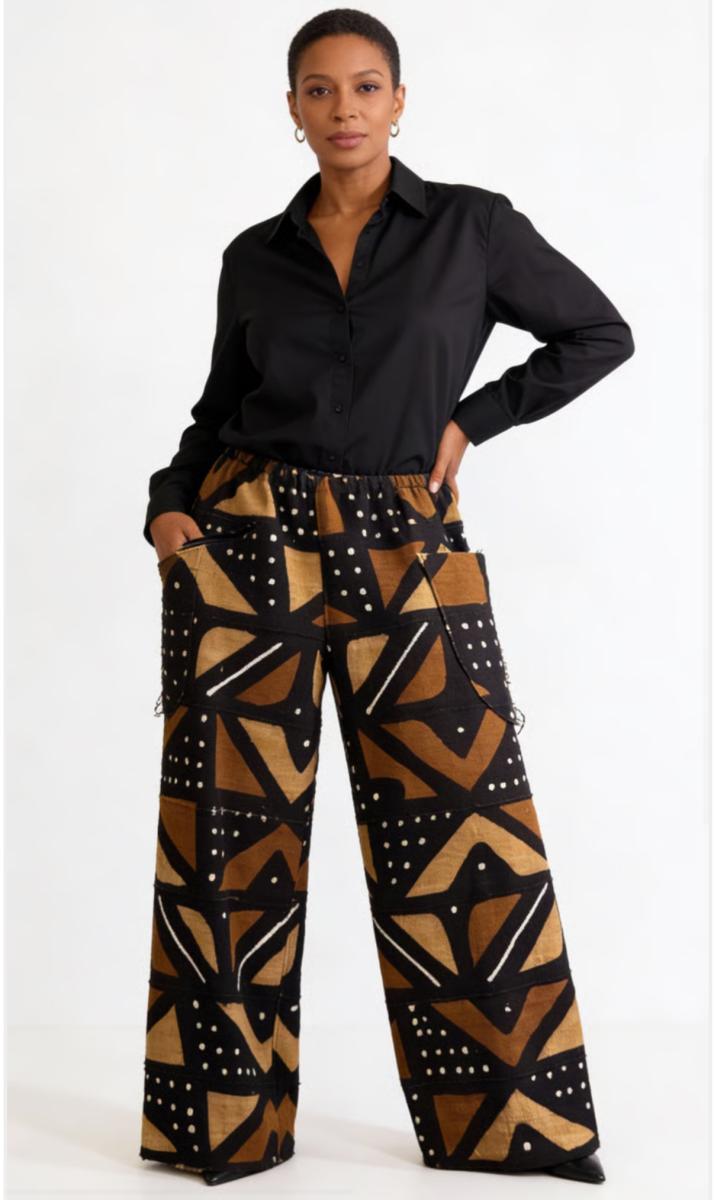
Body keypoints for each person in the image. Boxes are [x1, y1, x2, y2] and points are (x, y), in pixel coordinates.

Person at [138, 8, 634, 1189]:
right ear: (293, 109)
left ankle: (507, 1127)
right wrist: (168, 508)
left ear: (399, 101)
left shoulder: (471, 227)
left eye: (366, 86)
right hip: (247, 547)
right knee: (225, 843)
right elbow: (218, 411)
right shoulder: (255, 256)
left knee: (468, 834)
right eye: (320, 89)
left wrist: (474, 421)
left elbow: (596, 332)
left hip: (408, 543)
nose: (344, 108)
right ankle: (222, 1129)